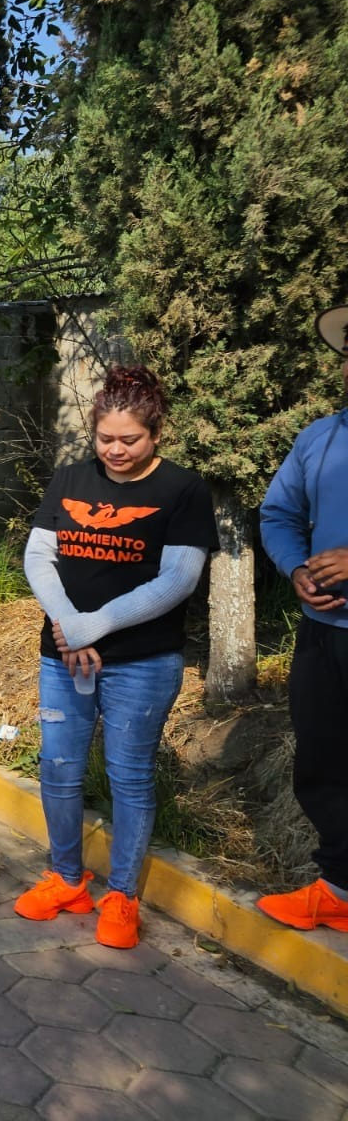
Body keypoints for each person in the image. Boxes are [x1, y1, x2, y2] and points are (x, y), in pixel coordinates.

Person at [16, 365, 217, 949]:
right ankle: (66, 878)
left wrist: (90, 627)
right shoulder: (71, 478)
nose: (116, 450)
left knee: (130, 776)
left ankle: (123, 894)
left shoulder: (181, 489)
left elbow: (177, 580)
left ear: (156, 433)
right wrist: (66, 627)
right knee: (58, 768)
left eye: (130, 439)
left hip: (141, 661)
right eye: (106, 438)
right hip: (62, 655)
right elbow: (38, 557)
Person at [255, 307, 348, 931]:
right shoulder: (321, 437)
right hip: (324, 635)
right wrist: (296, 569)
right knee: (325, 760)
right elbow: (278, 515)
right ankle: (339, 888)